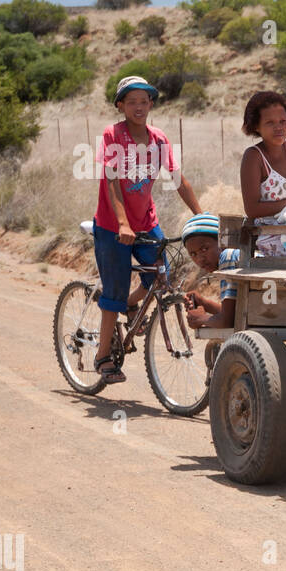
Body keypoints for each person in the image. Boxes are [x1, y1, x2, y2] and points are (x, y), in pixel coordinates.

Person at [92, 74, 202, 384]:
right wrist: (123, 223)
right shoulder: (112, 134)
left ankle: (131, 304)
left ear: (151, 104)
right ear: (121, 106)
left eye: (144, 101)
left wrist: (201, 215)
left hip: (145, 223)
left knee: (161, 273)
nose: (139, 107)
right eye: (132, 102)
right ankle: (103, 356)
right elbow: (111, 181)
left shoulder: (159, 139)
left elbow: (178, 180)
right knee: (113, 291)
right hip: (114, 226)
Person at [240, 90, 286, 257]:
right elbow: (252, 209)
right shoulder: (254, 157)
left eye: (283, 121)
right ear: (256, 126)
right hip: (274, 237)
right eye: (270, 123)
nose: (279, 127)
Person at [181, 213, 239, 330]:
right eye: (193, 254)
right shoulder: (236, 256)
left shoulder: (228, 257)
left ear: (221, 242)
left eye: (204, 249)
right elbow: (235, 315)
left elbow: (226, 321)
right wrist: (203, 303)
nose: (200, 259)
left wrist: (199, 319)